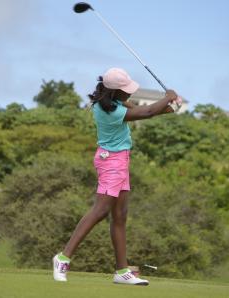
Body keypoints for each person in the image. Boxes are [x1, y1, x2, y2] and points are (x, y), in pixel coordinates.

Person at [53, 67, 182, 285]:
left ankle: (122, 271)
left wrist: (170, 107)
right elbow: (146, 112)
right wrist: (168, 97)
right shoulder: (111, 111)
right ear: (114, 91)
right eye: (126, 90)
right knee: (100, 210)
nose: (129, 94)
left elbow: (148, 111)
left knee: (120, 215)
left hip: (120, 161)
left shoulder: (112, 103)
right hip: (110, 162)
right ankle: (62, 258)